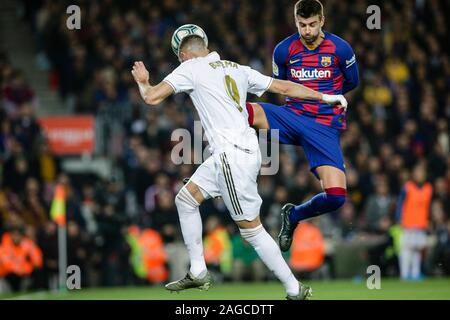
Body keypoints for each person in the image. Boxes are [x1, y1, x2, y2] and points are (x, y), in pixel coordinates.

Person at [131, 24, 347, 299]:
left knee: (252, 231)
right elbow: (282, 87)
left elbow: (151, 97)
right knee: (185, 199)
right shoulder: (236, 68)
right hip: (239, 152)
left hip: (230, 157)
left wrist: (142, 80)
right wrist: (325, 96)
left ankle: (295, 289)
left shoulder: (189, 69)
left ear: (183, 54)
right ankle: (198, 271)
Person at [245, 0, 359, 252]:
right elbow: (281, 85)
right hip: (292, 115)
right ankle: (213, 166)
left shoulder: (341, 49)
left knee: (337, 197)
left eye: (311, 25)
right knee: (241, 111)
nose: (306, 31)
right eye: (301, 25)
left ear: (322, 21)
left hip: (324, 127)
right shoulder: (283, 50)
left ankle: (293, 215)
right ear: (295, 22)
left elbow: (351, 82)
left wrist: (325, 101)